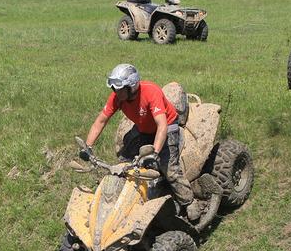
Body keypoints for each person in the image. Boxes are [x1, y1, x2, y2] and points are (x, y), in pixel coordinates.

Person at [80, 64, 201, 221]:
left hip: (167, 125)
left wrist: (155, 153)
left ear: (132, 86)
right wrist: (87, 147)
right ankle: (127, 195)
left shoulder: (151, 92)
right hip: (143, 127)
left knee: (169, 169)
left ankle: (189, 201)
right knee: (125, 162)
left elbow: (162, 125)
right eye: (114, 89)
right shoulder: (118, 97)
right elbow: (101, 121)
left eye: (120, 88)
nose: (116, 92)